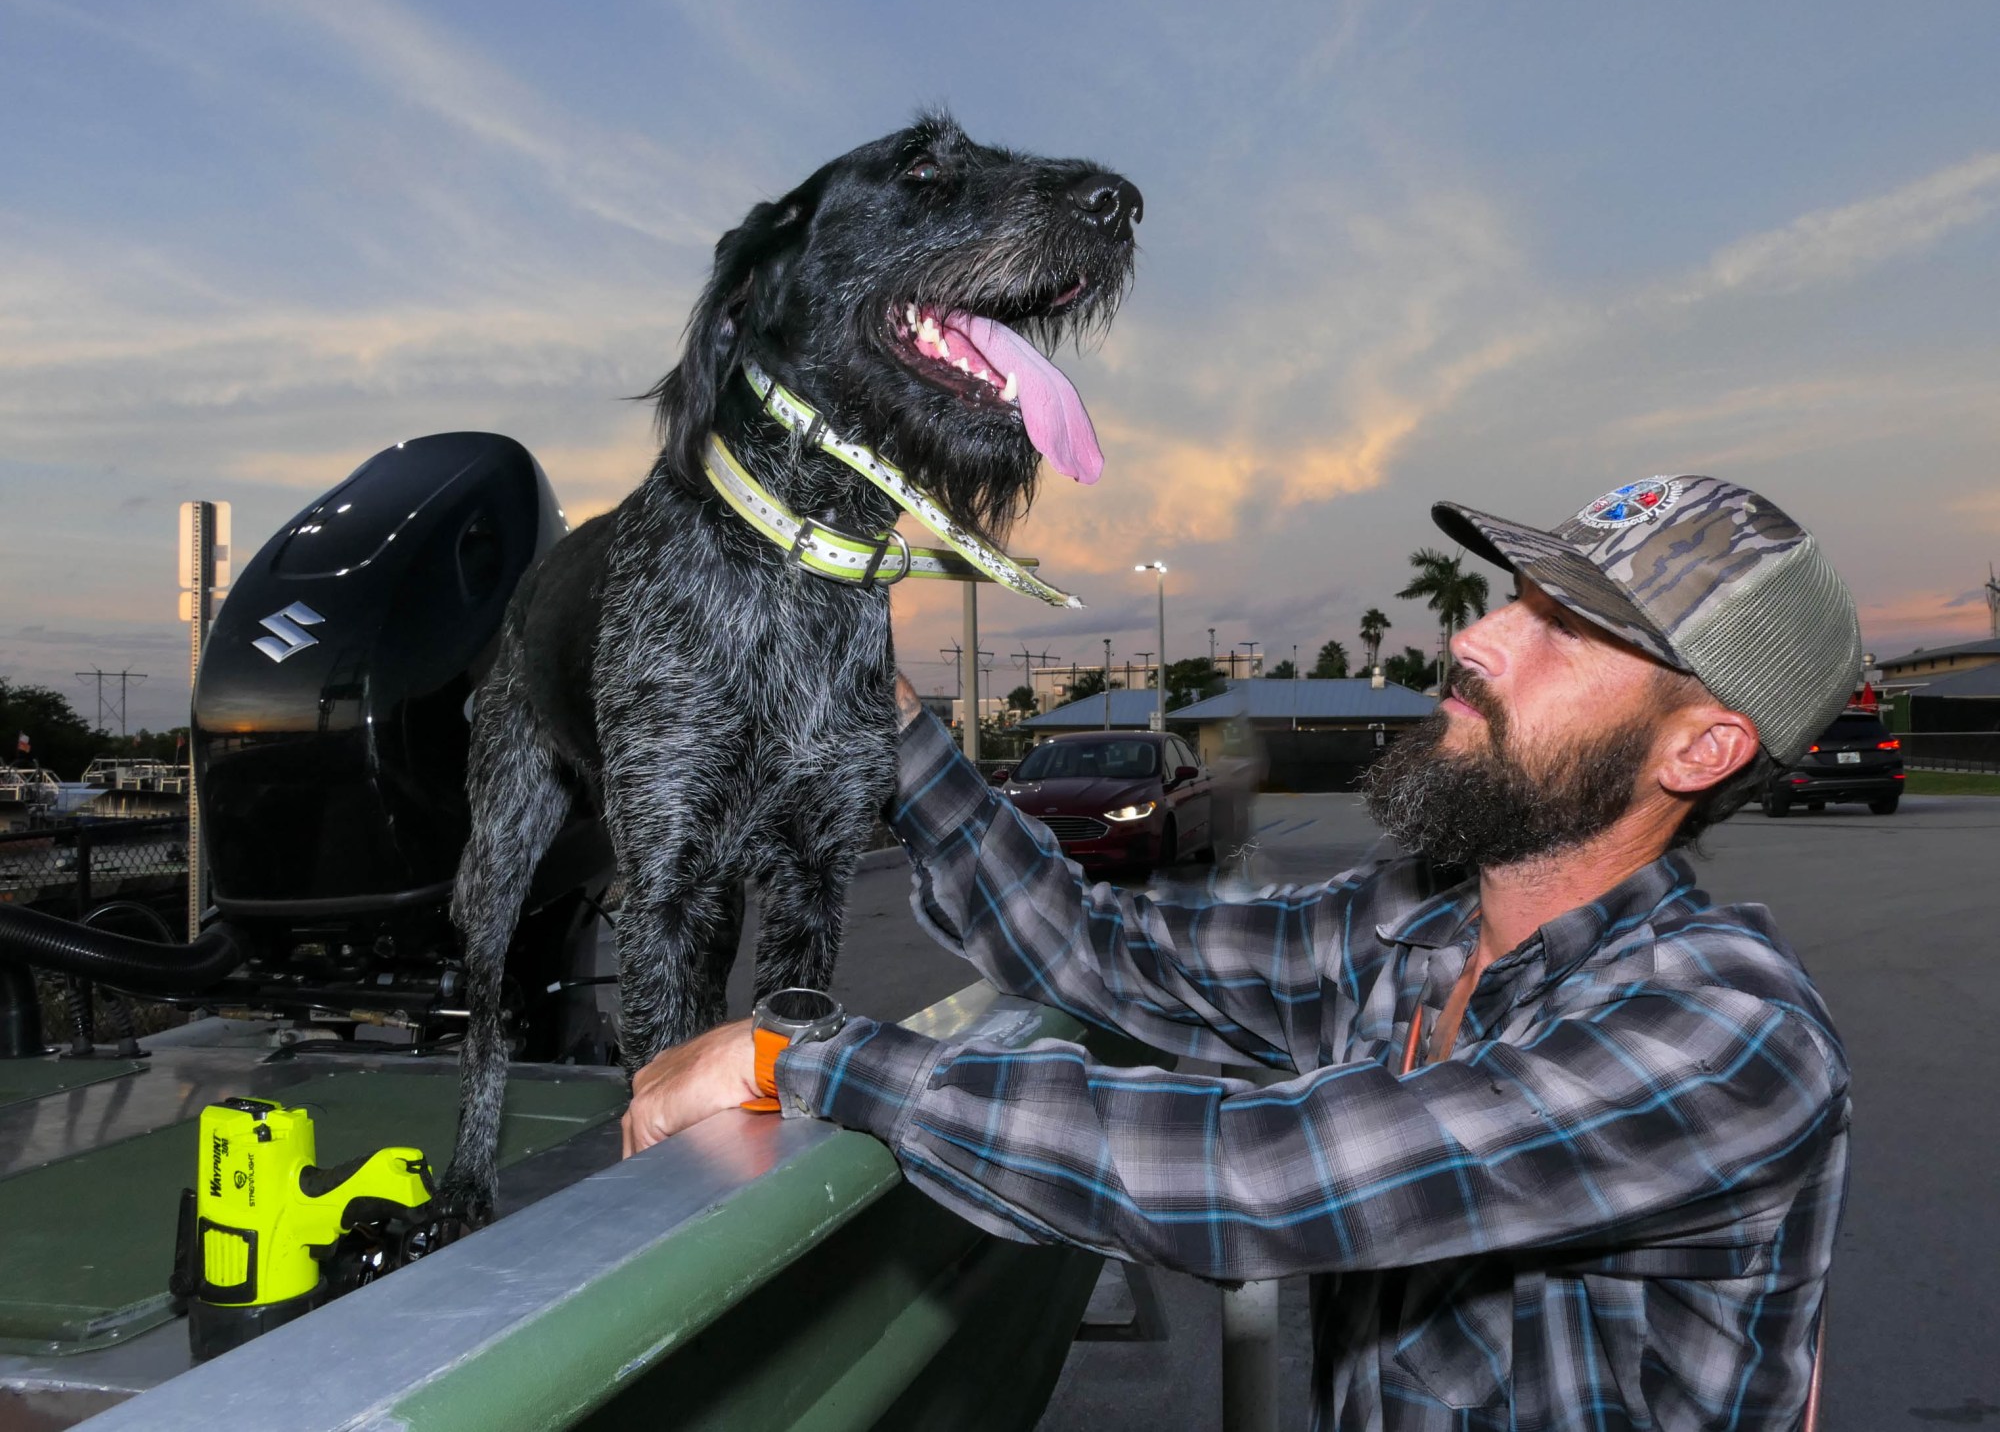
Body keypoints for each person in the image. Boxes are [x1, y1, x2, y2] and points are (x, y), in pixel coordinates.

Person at [623, 474, 1856, 1430]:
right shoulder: (1405, 933)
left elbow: (1256, 1176)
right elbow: (1089, 945)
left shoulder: (1725, 1034)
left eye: (1568, 631)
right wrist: (884, 722)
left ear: (1697, 751)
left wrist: (806, 1056)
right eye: (1515, 599)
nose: (1476, 638)